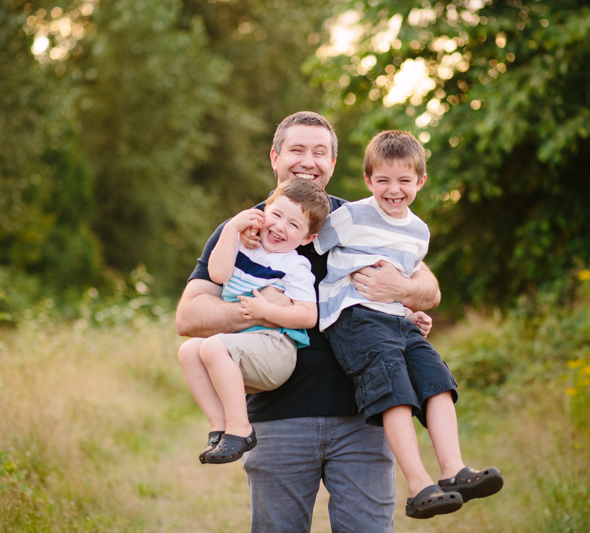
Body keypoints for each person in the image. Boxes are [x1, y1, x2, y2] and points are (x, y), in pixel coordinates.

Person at [175, 111, 440, 532]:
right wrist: (259, 305)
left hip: (363, 418)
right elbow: (189, 316)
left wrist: (401, 294)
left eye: (320, 153)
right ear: (275, 157)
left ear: (333, 165)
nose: (308, 161)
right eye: (297, 149)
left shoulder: (358, 221)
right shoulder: (244, 230)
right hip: (279, 419)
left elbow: (428, 285)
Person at [315, 130, 503, 519]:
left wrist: (409, 307)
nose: (393, 189)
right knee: (395, 390)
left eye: (404, 180)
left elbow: (411, 279)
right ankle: (419, 485)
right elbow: (307, 238)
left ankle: (454, 470)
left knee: (437, 382)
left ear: (420, 181)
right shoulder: (349, 216)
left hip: (397, 320)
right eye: (383, 180)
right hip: (355, 317)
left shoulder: (419, 232)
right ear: (368, 180)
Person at [177, 178, 330, 465]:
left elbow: (308, 316)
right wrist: (232, 228)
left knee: (211, 347)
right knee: (188, 351)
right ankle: (220, 426)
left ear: (308, 238)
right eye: (276, 215)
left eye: (294, 225)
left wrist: (266, 311)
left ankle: (241, 429)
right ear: (263, 210)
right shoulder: (242, 245)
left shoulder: (295, 266)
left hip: (275, 349)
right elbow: (219, 275)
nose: (281, 227)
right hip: (243, 345)